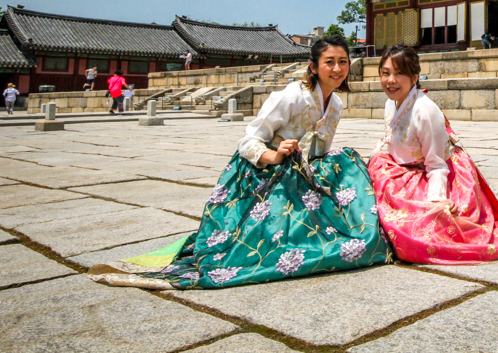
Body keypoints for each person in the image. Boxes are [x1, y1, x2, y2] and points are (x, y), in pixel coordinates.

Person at [88, 35, 390, 289]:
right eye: (329, 62)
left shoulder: (335, 103)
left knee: (347, 161)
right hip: (266, 174)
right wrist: (275, 155)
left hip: (302, 176)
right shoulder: (291, 96)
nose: (337, 69)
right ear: (313, 66)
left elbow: (322, 150)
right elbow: (248, 141)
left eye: (343, 62)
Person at [367, 45, 498, 264]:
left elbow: (437, 164)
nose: (390, 80)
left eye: (399, 73)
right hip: (406, 169)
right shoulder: (390, 103)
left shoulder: (425, 110)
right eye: (385, 73)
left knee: (423, 231)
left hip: (437, 172)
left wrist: (437, 200)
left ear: (414, 77)